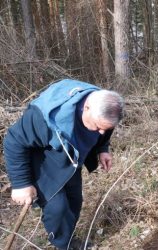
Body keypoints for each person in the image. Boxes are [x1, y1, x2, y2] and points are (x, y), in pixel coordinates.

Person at [4, 79, 124, 250]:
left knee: (75, 201)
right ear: (86, 107)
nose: (102, 132)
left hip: (70, 157)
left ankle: (68, 238)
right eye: (98, 127)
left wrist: (102, 148)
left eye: (106, 128)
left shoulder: (104, 103)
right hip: (43, 159)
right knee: (58, 208)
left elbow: (105, 128)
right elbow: (14, 141)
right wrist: (21, 183)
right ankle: (63, 245)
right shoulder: (45, 118)